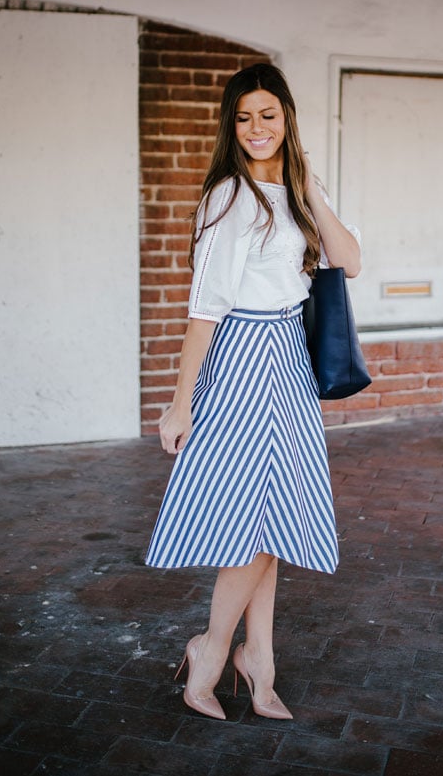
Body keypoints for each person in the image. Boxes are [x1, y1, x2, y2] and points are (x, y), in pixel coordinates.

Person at [145, 62, 361, 721]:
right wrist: (181, 401)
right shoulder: (228, 196)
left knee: (273, 514)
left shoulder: (296, 188)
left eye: (268, 113)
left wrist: (306, 186)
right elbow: (203, 309)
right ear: (231, 126)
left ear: (287, 117)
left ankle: (257, 660)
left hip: (289, 357)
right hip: (240, 357)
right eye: (243, 117)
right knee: (253, 517)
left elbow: (347, 258)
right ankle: (214, 648)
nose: (256, 127)